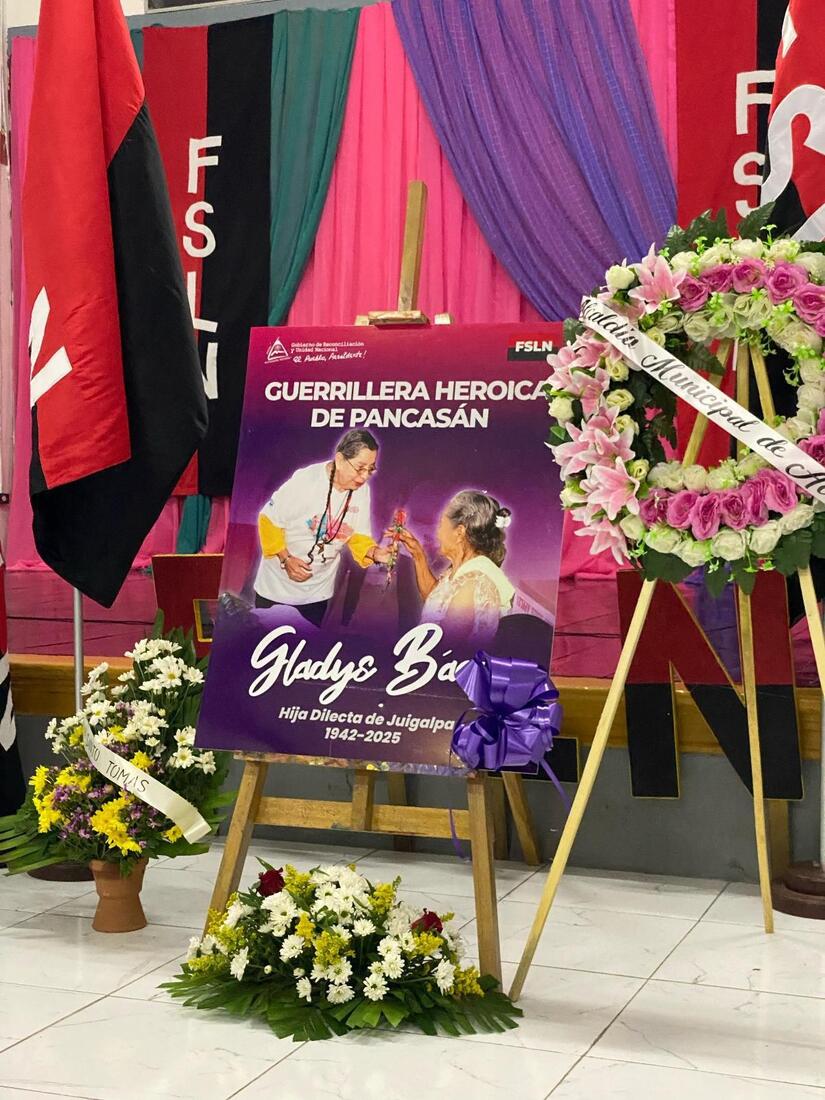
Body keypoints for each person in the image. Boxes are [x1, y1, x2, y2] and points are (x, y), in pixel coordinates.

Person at [253, 429, 392, 626]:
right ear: (340, 459)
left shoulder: (362, 491)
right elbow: (269, 520)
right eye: (360, 468)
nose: (364, 477)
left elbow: (357, 536)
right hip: (277, 588)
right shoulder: (305, 481)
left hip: (317, 593)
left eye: (370, 469)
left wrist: (376, 553)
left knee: (306, 642)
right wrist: (286, 559)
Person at [392, 490, 515, 642]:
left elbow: (446, 648)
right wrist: (418, 555)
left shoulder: (471, 585)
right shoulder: (467, 566)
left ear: (459, 533)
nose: (438, 533)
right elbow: (437, 603)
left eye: (441, 524)